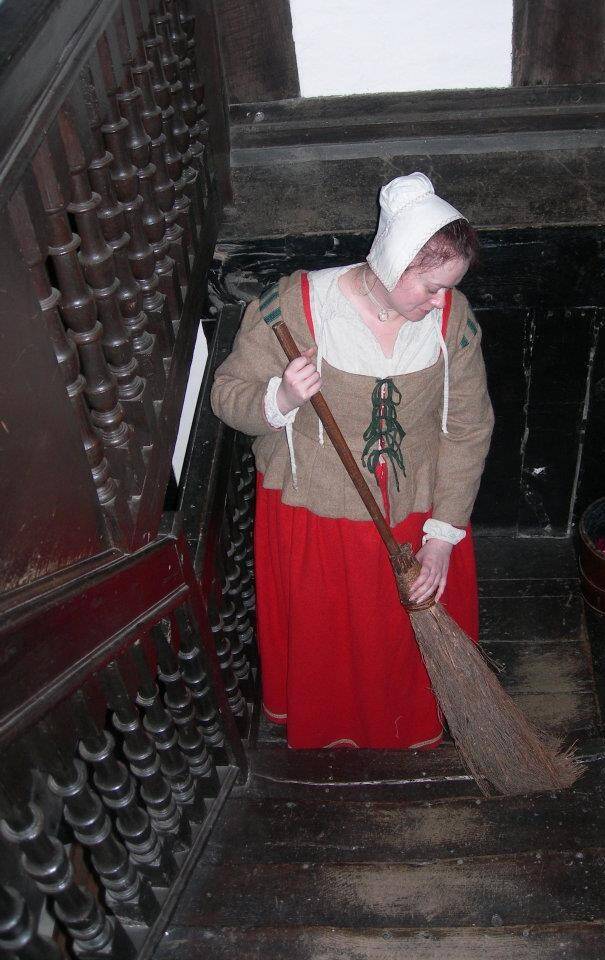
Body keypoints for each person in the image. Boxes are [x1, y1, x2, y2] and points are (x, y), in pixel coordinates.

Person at [211, 172, 494, 750]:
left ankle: (407, 719)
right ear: (393, 266)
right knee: (333, 633)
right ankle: (336, 723)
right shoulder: (292, 308)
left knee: (400, 636)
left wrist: (442, 537)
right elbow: (226, 396)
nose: (442, 300)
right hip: (319, 510)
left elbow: (469, 427)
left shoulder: (451, 322)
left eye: (450, 286)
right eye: (430, 286)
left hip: (417, 511)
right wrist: (283, 398)